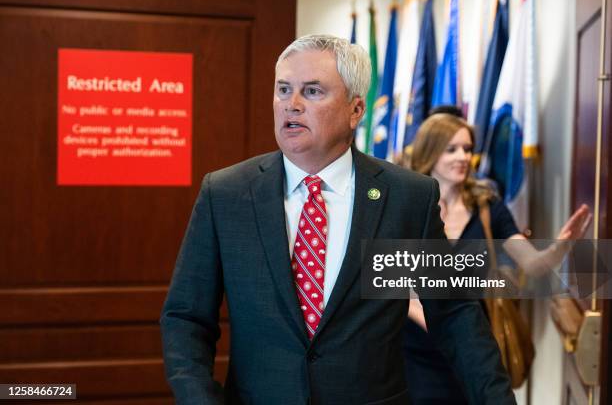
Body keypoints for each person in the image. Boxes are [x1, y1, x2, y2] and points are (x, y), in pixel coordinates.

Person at [160, 35, 516, 405]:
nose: (291, 105)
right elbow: (186, 319)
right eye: (283, 90)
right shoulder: (226, 194)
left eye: (312, 91)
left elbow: (455, 315)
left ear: (356, 110)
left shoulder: (408, 197)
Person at [403, 112, 592, 404]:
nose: (463, 157)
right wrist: (439, 321)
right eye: (451, 149)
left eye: (467, 149)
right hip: (417, 352)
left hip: (473, 346)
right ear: (431, 152)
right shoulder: (407, 204)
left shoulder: (487, 206)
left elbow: (532, 263)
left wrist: (561, 247)